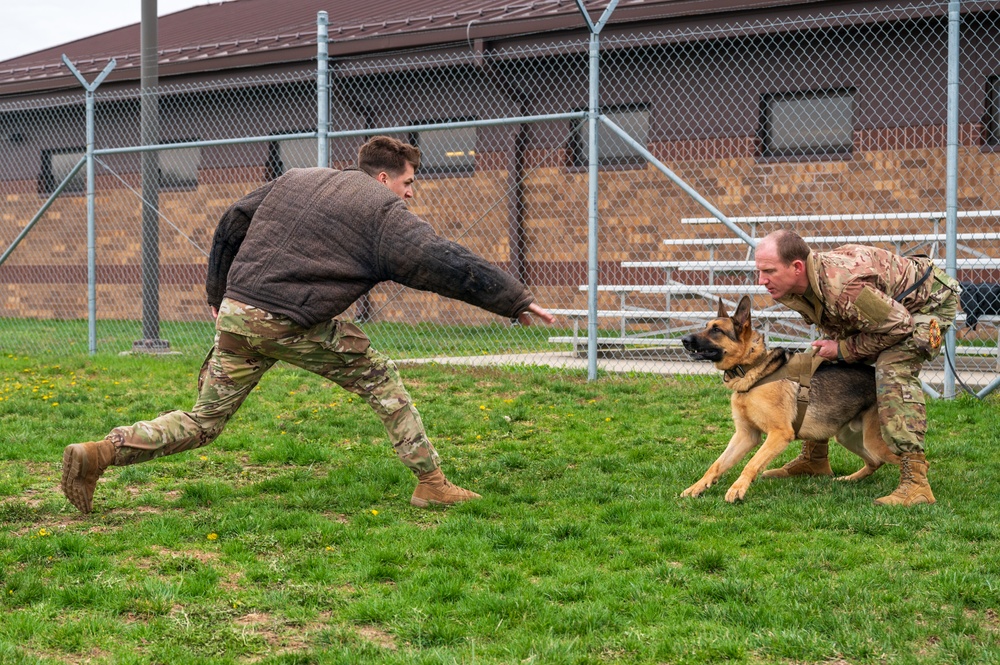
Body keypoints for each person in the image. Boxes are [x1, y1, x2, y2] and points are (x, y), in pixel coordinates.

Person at [60, 136, 554, 514]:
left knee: (204, 421)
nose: (409, 196)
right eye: (408, 185)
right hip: (284, 320)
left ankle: (100, 452)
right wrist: (514, 300)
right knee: (379, 376)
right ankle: (432, 485)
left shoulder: (297, 178)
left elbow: (232, 220)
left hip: (239, 311)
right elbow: (444, 261)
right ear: (383, 179)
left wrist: (218, 294)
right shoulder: (381, 213)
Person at [754, 229, 960, 506]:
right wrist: (832, 352)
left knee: (892, 370)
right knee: (808, 362)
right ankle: (814, 459)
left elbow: (901, 326)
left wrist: (842, 350)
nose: (761, 280)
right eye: (759, 271)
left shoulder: (845, 287)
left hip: (925, 306)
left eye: (768, 271)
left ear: (797, 267)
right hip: (887, 314)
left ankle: (916, 483)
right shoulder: (801, 284)